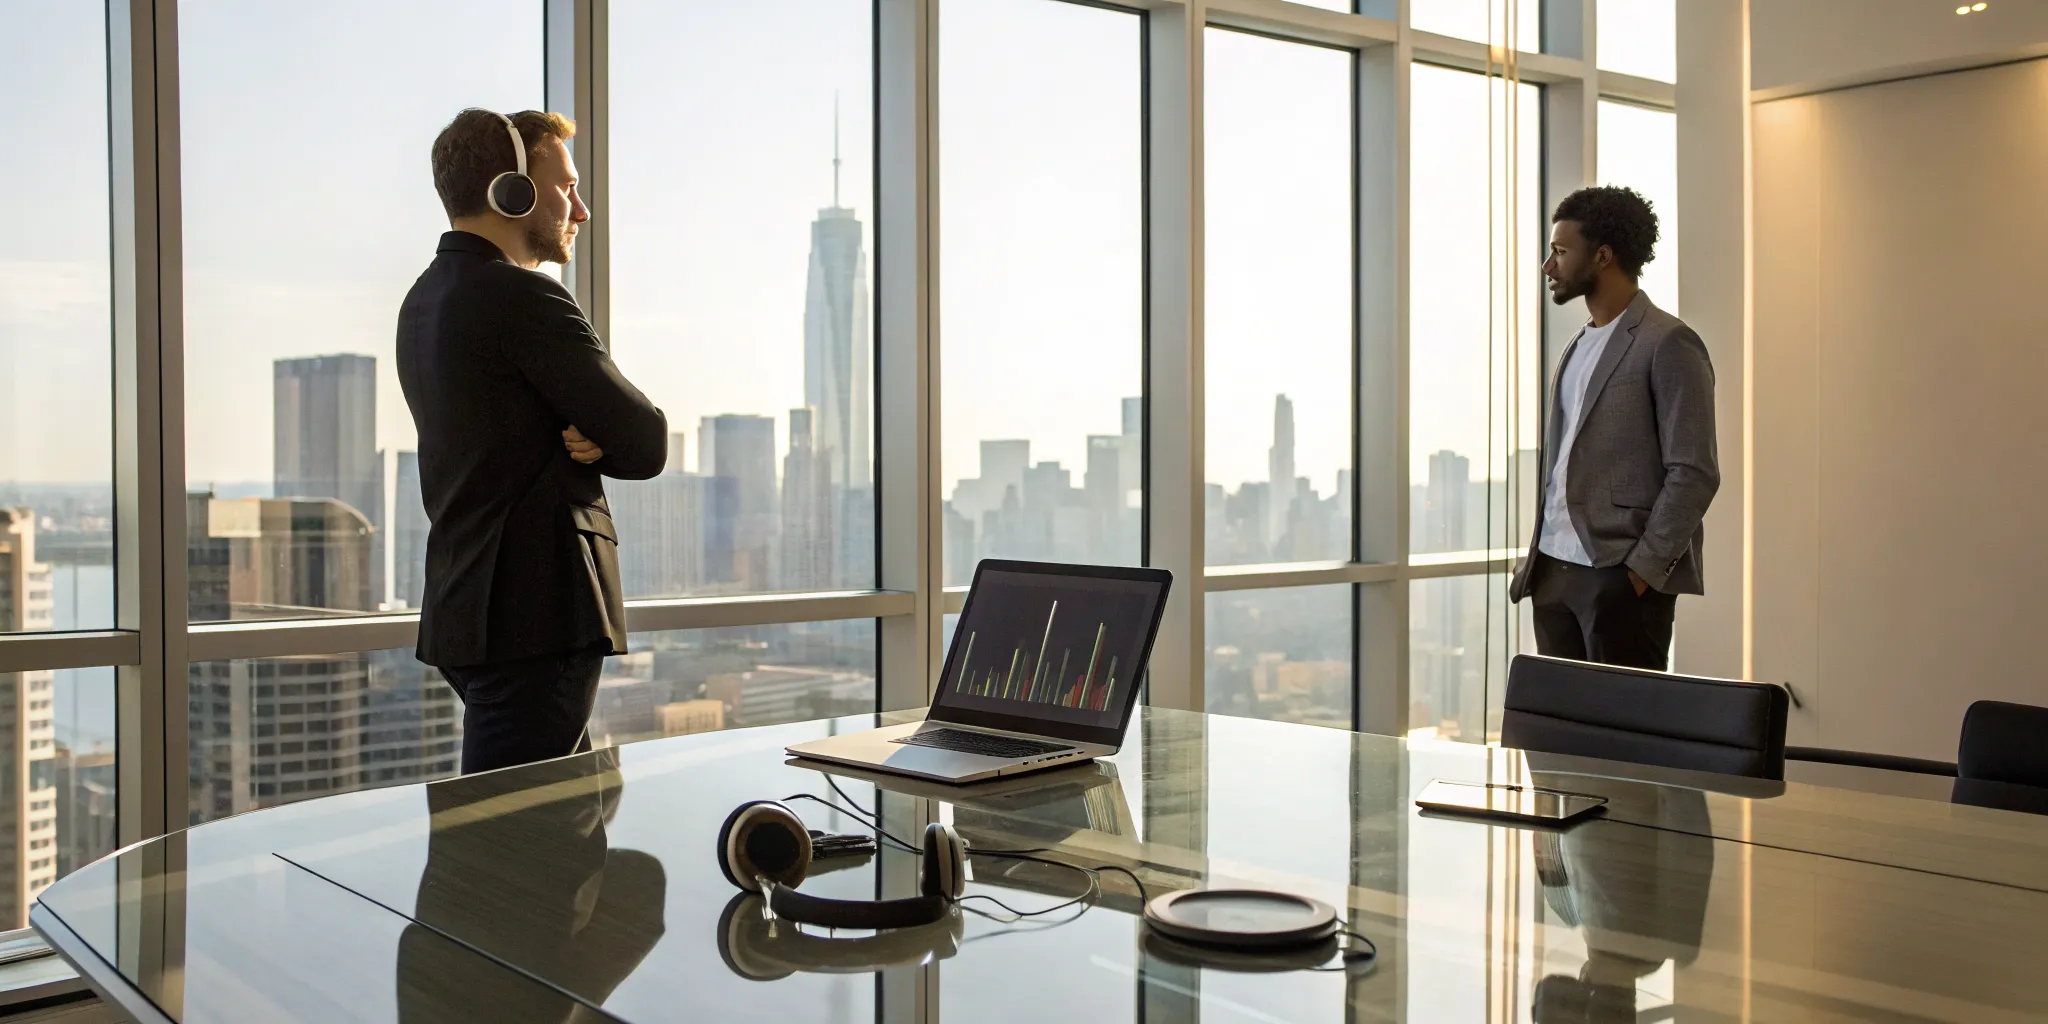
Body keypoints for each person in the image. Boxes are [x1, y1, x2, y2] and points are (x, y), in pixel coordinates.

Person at [398, 108, 667, 773]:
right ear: (510, 191)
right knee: (505, 846)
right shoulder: (523, 297)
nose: (581, 209)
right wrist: (604, 436)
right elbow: (646, 439)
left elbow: (501, 436)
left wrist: (591, 436)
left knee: (560, 822)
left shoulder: (424, 300)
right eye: (565, 186)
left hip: (468, 611)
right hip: (536, 617)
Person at [1508, 186, 1717, 671]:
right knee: (1561, 736)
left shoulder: (1669, 343)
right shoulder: (1577, 346)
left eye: (1560, 251)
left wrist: (1641, 573)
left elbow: (1694, 471)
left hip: (1617, 578)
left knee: (1623, 739)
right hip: (1552, 572)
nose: (1548, 266)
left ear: (1602, 256)